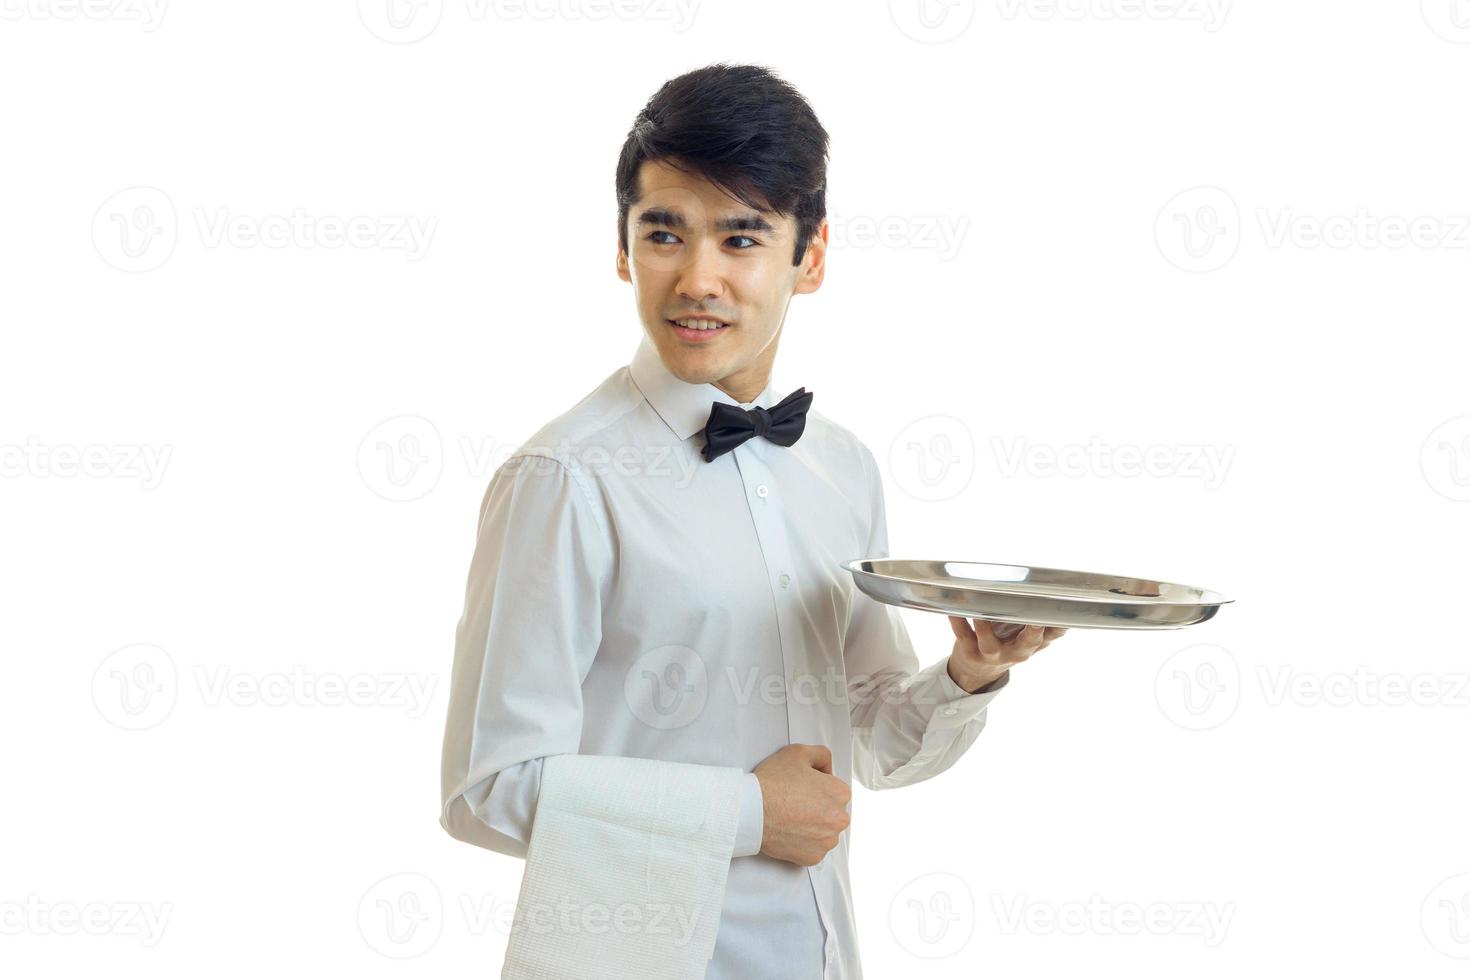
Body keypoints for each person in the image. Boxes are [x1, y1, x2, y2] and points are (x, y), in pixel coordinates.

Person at [438, 62, 1066, 979]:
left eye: (742, 239)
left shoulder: (841, 467)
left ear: (808, 260)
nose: (698, 279)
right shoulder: (564, 478)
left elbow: (876, 748)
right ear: (623, 251)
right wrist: (747, 813)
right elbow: (485, 791)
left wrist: (970, 674)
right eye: (665, 234)